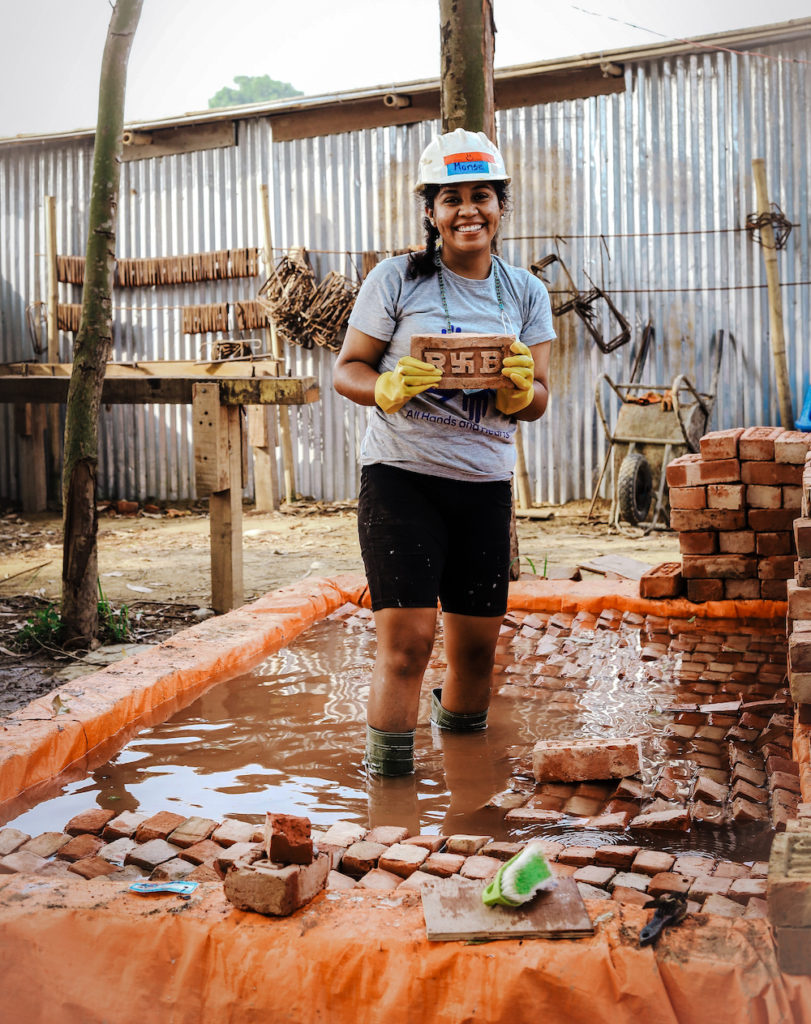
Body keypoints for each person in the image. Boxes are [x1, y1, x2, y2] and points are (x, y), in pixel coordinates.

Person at [333, 128, 555, 776]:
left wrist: (520, 393)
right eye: (450, 197)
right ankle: (389, 804)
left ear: (500, 206)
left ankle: (466, 797)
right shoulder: (397, 279)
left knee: (476, 654)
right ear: (429, 211)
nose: (467, 210)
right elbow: (347, 368)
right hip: (402, 480)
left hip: (483, 487)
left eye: (480, 195)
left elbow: (541, 395)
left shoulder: (524, 294)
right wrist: (386, 387)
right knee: (405, 647)